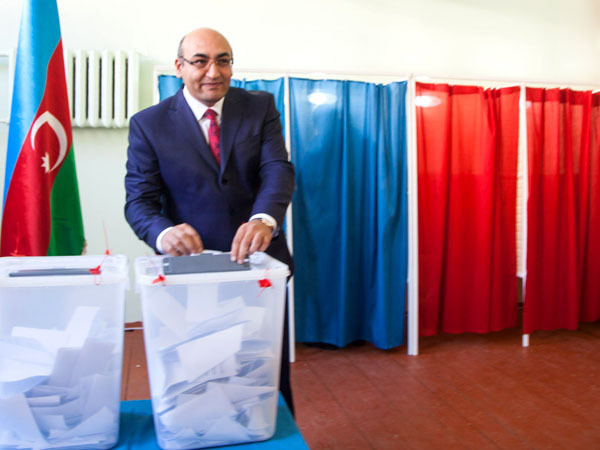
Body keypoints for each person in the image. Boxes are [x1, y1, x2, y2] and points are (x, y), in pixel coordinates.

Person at [124, 27, 295, 415]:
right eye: (200, 61)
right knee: (198, 380)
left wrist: (264, 218)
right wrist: (163, 233)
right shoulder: (149, 124)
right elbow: (139, 202)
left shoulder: (259, 106)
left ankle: (267, 434)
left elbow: (277, 169)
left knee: (265, 375)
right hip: (190, 277)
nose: (213, 72)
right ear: (179, 67)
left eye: (223, 61)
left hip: (257, 270)